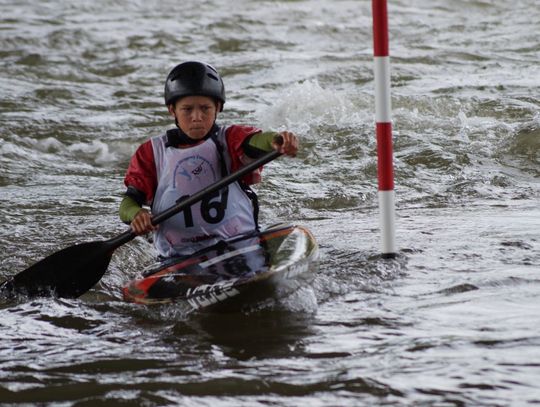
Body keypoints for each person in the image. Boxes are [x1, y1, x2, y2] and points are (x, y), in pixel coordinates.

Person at [119, 61, 299, 259]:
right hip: (178, 256)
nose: (197, 117)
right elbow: (128, 202)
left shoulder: (229, 139)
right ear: (172, 110)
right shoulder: (151, 152)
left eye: (205, 108)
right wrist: (137, 215)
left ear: (218, 107)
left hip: (240, 243)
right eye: (187, 109)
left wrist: (277, 141)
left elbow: (256, 142)